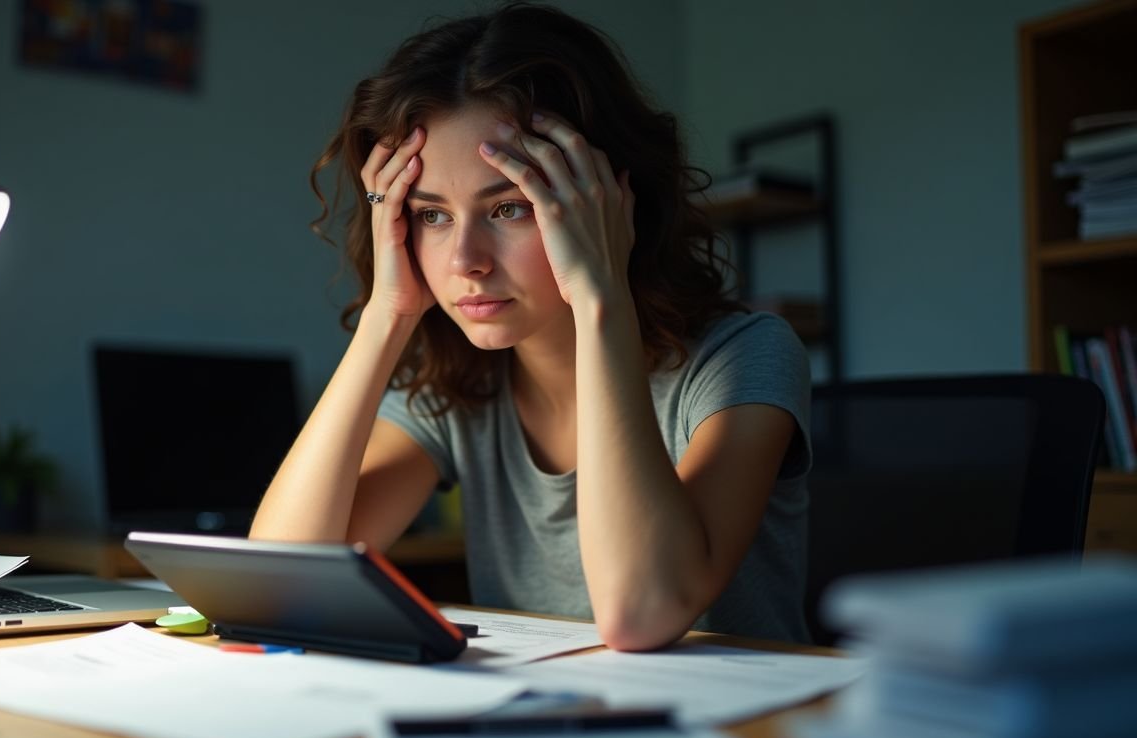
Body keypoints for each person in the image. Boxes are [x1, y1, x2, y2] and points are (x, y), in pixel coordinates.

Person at [249, 2, 811, 649]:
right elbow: (280, 585)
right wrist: (387, 314)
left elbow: (641, 613)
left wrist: (601, 298)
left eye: (509, 207)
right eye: (431, 216)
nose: (465, 262)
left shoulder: (744, 357)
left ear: (606, 203)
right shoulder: (457, 384)